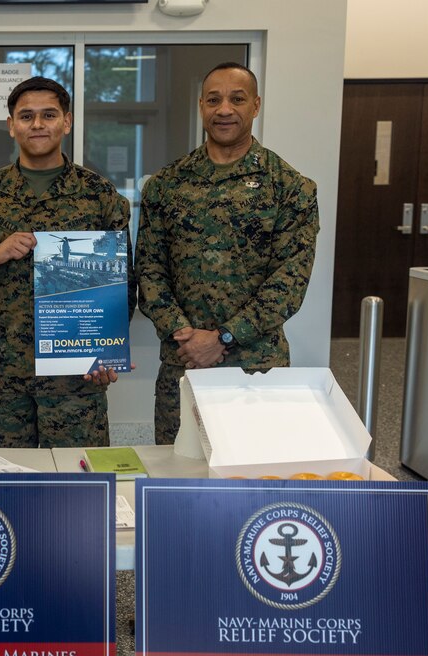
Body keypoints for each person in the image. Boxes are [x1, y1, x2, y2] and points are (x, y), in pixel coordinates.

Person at [0, 76, 134, 448]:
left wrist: (106, 353)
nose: (37, 124)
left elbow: (123, 283)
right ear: (11, 125)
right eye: (26, 116)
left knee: (78, 490)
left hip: (75, 378)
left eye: (49, 114)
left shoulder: (99, 196)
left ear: (67, 121)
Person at [136, 61, 319, 444]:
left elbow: (288, 282)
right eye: (214, 99)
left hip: (256, 369)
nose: (224, 110)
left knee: (253, 477)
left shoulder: (290, 187)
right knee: (177, 476)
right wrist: (183, 334)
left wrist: (223, 338)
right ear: (201, 105)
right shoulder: (166, 185)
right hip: (182, 363)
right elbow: (150, 271)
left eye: (237, 99)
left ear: (255, 105)